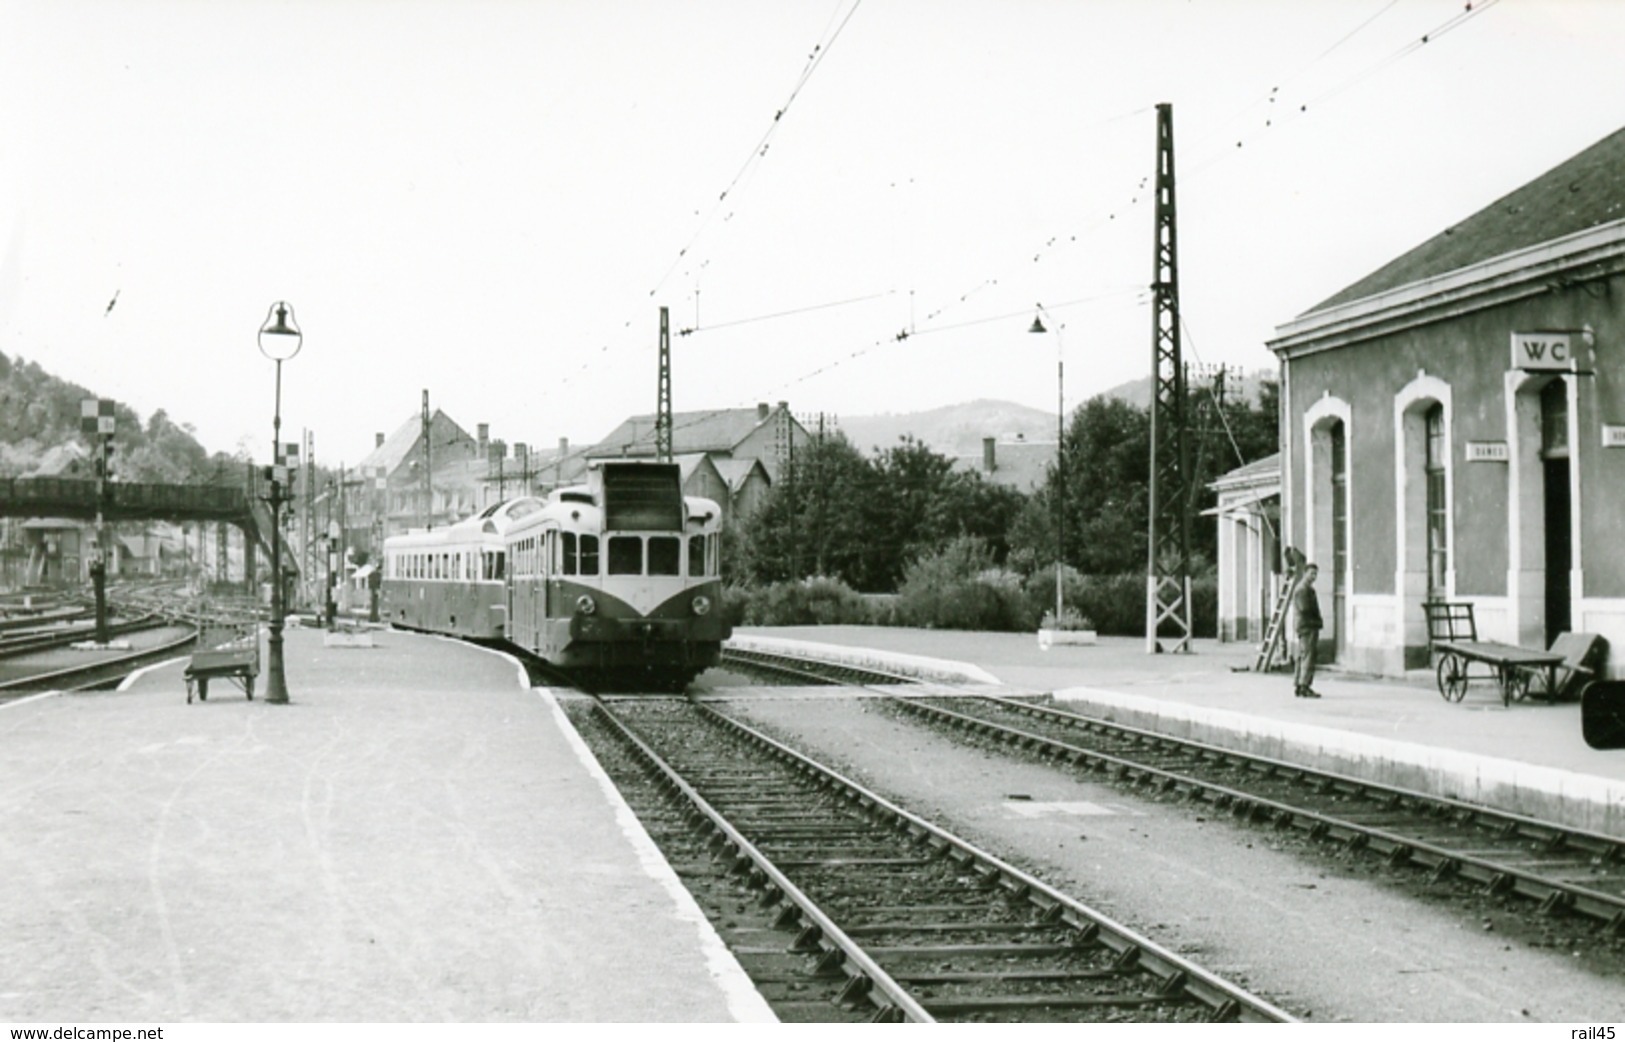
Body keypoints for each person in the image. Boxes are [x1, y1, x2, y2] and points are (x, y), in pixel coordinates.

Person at [1292, 563, 1323, 698]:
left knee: (1303, 655)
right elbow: (1305, 609)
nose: (1314, 576)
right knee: (1308, 656)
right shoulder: (1303, 590)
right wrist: (1317, 621)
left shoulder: (1305, 589)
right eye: (1311, 573)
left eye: (1315, 574)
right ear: (1305, 573)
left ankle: (1299, 685)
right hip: (1307, 626)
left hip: (1305, 626)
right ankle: (1304, 685)